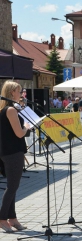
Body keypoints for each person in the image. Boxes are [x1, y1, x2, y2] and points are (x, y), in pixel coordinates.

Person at [0, 81, 30, 233]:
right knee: (12, 186)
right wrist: (27, 127)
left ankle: (12, 218)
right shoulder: (10, 110)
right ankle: (2, 218)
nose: (21, 93)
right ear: (12, 92)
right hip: (12, 152)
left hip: (9, 151)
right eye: (19, 91)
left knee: (13, 186)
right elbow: (19, 133)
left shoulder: (5, 109)